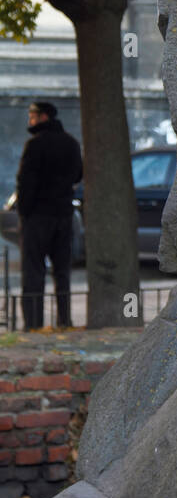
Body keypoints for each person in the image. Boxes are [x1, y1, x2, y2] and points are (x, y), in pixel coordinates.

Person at [16, 101, 83, 331]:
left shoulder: (35, 145)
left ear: (43, 117)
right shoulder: (72, 143)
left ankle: (33, 324)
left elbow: (25, 183)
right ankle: (64, 320)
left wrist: (24, 213)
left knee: (34, 271)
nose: (29, 121)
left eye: (32, 116)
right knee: (62, 271)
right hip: (64, 215)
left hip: (38, 215)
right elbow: (78, 175)